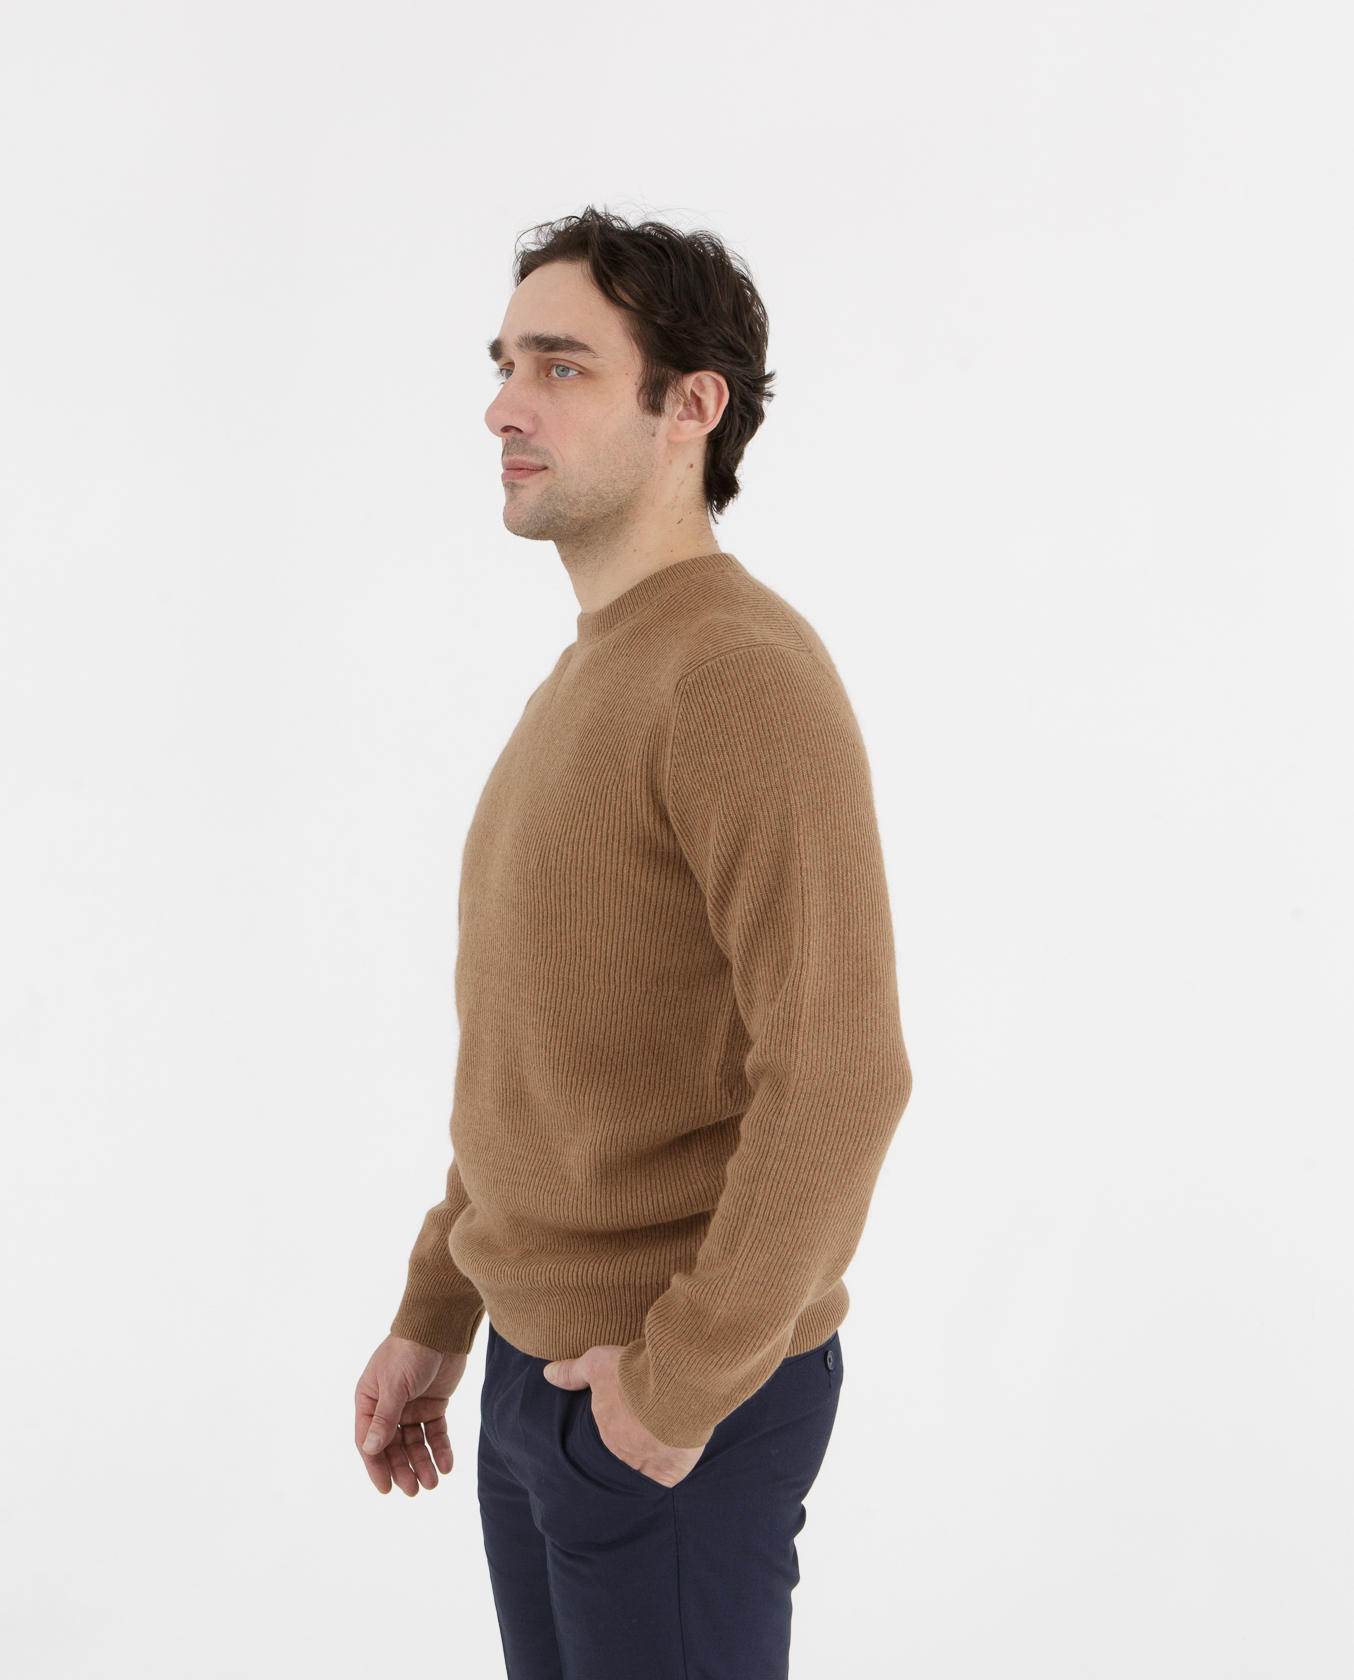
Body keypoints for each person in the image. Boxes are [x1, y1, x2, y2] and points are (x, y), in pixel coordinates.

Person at [352, 207, 912, 1680]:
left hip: (668, 1400)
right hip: (541, 1383)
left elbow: (843, 1073)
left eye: (561, 367)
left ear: (690, 406)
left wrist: (676, 1386)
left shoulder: (735, 673)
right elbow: (540, 1062)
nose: (503, 406)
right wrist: (437, 1310)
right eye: (502, 365)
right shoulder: (588, 680)